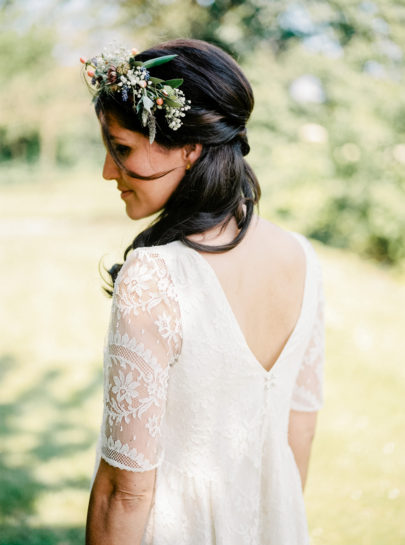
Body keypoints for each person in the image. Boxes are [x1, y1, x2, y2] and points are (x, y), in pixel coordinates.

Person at [83, 38, 325, 545]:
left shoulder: (154, 277)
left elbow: (124, 492)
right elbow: (299, 425)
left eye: (122, 149)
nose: (108, 171)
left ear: (192, 149)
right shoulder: (303, 258)